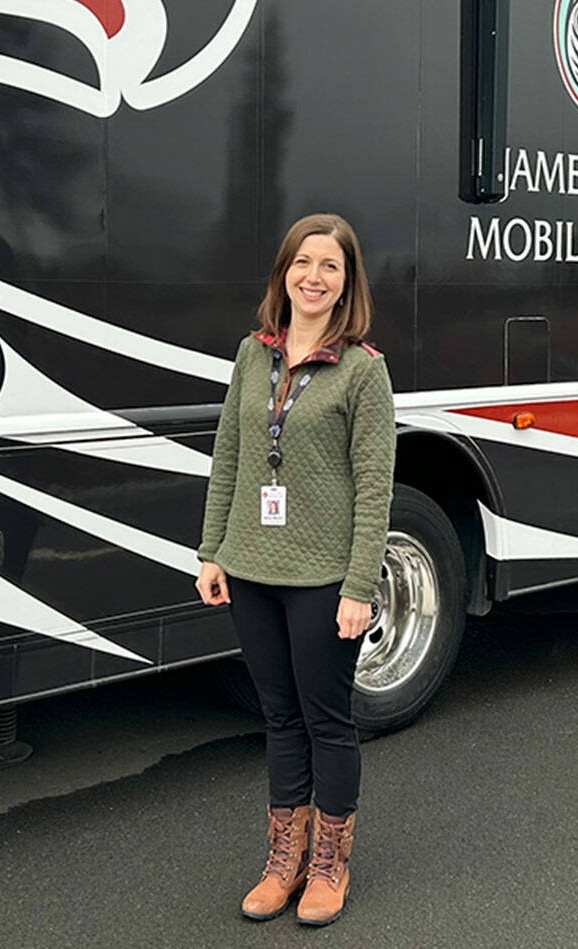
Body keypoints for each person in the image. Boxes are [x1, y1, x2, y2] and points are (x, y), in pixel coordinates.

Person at [196, 212, 395, 927]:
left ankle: (329, 864)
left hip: (322, 577)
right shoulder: (255, 355)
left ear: (347, 283)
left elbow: (375, 484)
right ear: (284, 272)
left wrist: (358, 586)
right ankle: (284, 859)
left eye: (330, 266)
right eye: (303, 262)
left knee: (326, 719)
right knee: (278, 716)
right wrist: (212, 550)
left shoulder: (363, 370)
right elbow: (230, 454)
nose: (314, 276)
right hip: (251, 567)